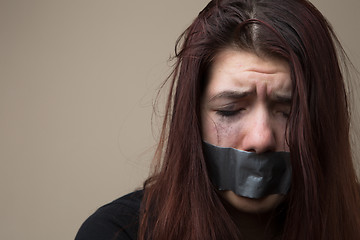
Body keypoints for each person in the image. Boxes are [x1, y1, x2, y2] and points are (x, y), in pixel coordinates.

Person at [75, 0, 360, 239]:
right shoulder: (115, 233)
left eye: (289, 111)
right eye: (229, 110)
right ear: (192, 117)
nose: (260, 139)